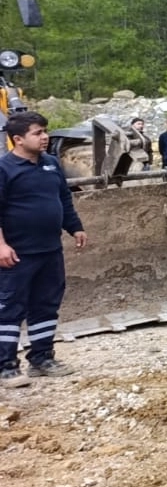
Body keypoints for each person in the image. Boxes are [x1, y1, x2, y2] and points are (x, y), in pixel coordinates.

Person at [0, 111, 88, 387]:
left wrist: (75, 227)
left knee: (46, 304)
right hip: (17, 253)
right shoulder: (4, 169)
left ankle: (41, 358)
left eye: (45, 131)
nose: (45, 137)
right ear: (18, 139)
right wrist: (1, 246)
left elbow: (63, 198)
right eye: (37, 133)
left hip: (49, 250)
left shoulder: (51, 164)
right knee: (10, 308)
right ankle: (6, 367)